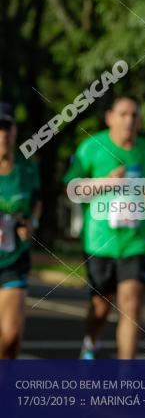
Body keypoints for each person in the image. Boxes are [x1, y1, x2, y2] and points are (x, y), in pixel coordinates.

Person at [64, 96, 145, 359]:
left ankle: (125, 373)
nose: (129, 120)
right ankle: (91, 341)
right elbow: (72, 189)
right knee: (100, 305)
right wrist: (105, 182)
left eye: (134, 115)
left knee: (131, 301)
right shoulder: (91, 147)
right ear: (110, 117)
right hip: (100, 240)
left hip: (136, 239)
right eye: (123, 114)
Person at [0, 103, 41, 359]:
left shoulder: (28, 169)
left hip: (14, 260)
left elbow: (36, 201)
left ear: (15, 131)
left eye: (7, 127)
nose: (2, 134)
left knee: (12, 336)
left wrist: (31, 223)